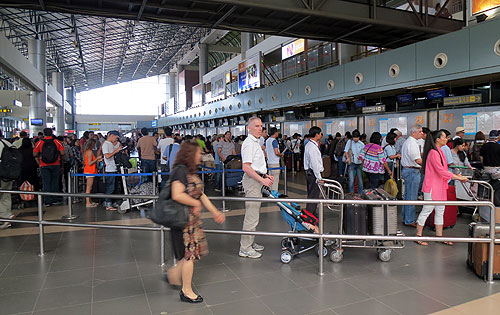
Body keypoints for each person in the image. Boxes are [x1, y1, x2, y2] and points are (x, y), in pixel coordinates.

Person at [166, 140, 225, 303]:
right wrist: (195, 203)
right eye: (198, 153)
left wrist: (214, 211)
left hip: (191, 221)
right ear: (190, 154)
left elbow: (200, 194)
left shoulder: (190, 171)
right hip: (183, 221)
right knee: (189, 256)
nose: (201, 155)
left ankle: (173, 274)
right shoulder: (180, 171)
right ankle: (186, 291)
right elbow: (177, 194)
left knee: (188, 255)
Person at [415, 130, 468, 246]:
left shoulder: (439, 151)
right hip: (432, 187)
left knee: (440, 210)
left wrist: (456, 176)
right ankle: (418, 235)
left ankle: (439, 236)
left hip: (440, 186)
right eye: (444, 137)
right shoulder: (434, 153)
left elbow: (443, 170)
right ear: (437, 139)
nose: (447, 139)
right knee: (427, 209)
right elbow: (441, 170)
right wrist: (457, 178)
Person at [239, 117, 274, 259]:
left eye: (261, 126)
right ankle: (245, 248)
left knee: (254, 215)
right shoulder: (249, 144)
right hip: (253, 181)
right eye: (257, 126)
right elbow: (246, 167)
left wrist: (265, 175)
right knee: (251, 216)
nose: (260, 128)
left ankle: (250, 242)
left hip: (257, 179)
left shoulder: (256, 142)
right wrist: (262, 180)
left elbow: (255, 164)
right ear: (249, 128)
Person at [33, 128, 65, 207]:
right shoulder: (57, 142)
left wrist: (39, 162)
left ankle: (47, 201)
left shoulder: (39, 142)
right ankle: (55, 199)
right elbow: (62, 153)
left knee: (46, 183)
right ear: (52, 133)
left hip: (44, 165)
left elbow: (34, 154)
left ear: (44, 134)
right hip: (56, 164)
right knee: (55, 182)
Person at [400, 125, 423, 227]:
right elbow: (417, 160)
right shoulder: (412, 143)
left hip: (408, 170)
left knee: (407, 196)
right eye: (420, 131)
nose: (422, 133)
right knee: (411, 197)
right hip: (412, 171)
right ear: (414, 132)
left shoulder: (408, 142)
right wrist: (430, 165)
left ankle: (406, 218)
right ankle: (409, 220)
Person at [303, 126, 324, 217]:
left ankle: (312, 213)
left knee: (312, 194)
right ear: (316, 134)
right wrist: (319, 177)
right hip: (313, 174)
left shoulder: (310, 144)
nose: (321, 135)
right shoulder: (312, 147)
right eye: (320, 133)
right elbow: (314, 163)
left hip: (310, 173)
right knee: (313, 195)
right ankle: (310, 215)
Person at [101, 130, 122, 211]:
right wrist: (116, 151)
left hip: (114, 168)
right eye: (116, 138)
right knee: (110, 187)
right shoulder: (105, 144)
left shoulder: (110, 144)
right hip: (110, 169)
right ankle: (108, 203)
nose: (116, 139)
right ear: (112, 135)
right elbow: (107, 156)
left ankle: (110, 202)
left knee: (114, 187)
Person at [0, 130, 15, 229]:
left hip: (1, 174)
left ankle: (5, 216)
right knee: (6, 195)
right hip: (9, 174)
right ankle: (7, 217)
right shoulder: (7, 143)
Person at [83, 139, 103, 207]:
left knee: (90, 187)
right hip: (90, 171)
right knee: (89, 187)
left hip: (91, 170)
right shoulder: (89, 152)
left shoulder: (88, 151)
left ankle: (90, 201)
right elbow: (90, 163)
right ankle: (88, 203)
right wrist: (97, 159)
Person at [345, 130, 365, 194]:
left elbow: (363, 153)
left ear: (359, 137)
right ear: (352, 137)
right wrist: (348, 158)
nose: (355, 139)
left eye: (357, 137)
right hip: (352, 163)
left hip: (359, 164)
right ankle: (351, 194)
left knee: (360, 181)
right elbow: (346, 151)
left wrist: (361, 158)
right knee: (351, 180)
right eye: (354, 137)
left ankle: (360, 194)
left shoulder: (362, 144)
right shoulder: (349, 142)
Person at [265, 127, 283, 192]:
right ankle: (274, 194)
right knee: (275, 180)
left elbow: (262, 148)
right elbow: (276, 152)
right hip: (275, 163)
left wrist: (266, 155)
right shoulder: (274, 141)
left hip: (269, 162)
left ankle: (269, 192)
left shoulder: (267, 140)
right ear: (275, 133)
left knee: (270, 179)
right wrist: (281, 154)